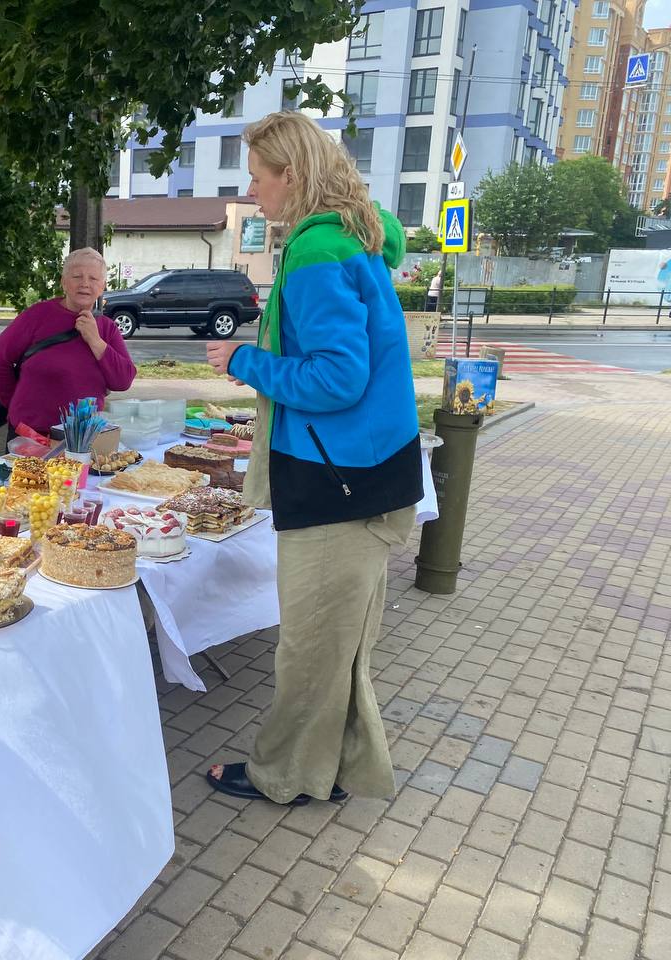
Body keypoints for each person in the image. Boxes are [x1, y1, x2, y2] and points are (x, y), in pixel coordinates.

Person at [203, 111, 424, 806]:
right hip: (365, 469)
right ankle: (332, 766)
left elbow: (336, 378)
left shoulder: (314, 252)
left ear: (291, 176)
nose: (251, 190)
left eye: (257, 176)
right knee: (337, 642)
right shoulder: (349, 236)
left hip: (338, 480)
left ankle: (288, 775)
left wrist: (245, 360)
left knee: (310, 646)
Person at [0, 247, 136, 439]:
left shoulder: (106, 328)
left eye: (93, 278)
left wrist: (95, 340)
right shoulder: (38, 315)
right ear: (63, 282)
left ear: (102, 286)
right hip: (32, 435)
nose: (85, 284)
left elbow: (123, 381)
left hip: (82, 437)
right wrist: (13, 402)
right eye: (77, 276)